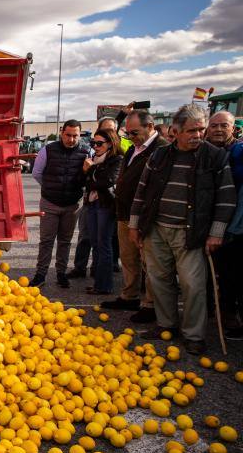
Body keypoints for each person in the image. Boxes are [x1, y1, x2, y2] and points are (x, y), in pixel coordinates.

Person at [128, 104, 236, 354]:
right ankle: (166, 325)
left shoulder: (215, 157)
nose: (197, 135)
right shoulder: (160, 155)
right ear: (175, 131)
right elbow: (142, 192)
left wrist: (216, 232)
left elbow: (226, 197)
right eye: (191, 130)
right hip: (156, 228)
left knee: (193, 284)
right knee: (159, 280)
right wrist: (135, 226)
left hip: (192, 232)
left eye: (201, 129)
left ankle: (194, 335)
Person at [101, 110, 169, 321]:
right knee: (128, 258)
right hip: (125, 212)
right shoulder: (133, 149)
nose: (130, 137)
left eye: (135, 132)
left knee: (149, 261)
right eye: (128, 133)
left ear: (150, 127)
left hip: (145, 216)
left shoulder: (163, 149)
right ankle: (129, 295)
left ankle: (150, 304)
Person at [31, 119, 90, 288]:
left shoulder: (87, 152)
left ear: (80, 135)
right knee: (46, 240)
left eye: (75, 136)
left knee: (65, 240)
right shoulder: (47, 150)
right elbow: (37, 173)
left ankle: (61, 274)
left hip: (72, 205)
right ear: (61, 133)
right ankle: (40, 275)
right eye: (68, 135)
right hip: (49, 203)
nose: (71, 139)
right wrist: (50, 188)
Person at [205, 110, 243, 336]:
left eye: (224, 126)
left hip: (233, 225)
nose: (219, 129)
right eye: (214, 125)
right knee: (206, 273)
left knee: (232, 273)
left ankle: (229, 315)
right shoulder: (202, 151)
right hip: (204, 222)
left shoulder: (238, 151)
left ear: (233, 129)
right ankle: (210, 312)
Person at [84, 129, 123, 294]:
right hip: (92, 203)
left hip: (105, 205)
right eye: (93, 143)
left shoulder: (117, 159)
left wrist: (91, 170)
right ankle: (99, 283)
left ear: (110, 143)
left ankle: (104, 285)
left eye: (99, 143)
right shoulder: (94, 158)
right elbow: (89, 182)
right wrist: (92, 174)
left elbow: (107, 181)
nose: (95, 146)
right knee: (95, 244)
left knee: (104, 244)